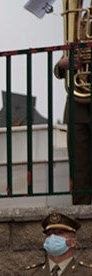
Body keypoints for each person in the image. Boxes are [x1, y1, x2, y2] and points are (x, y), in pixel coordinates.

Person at [54, 46, 92, 204]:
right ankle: (81, 211)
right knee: (79, 167)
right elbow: (58, 70)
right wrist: (62, 65)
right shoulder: (78, 41)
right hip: (77, 108)